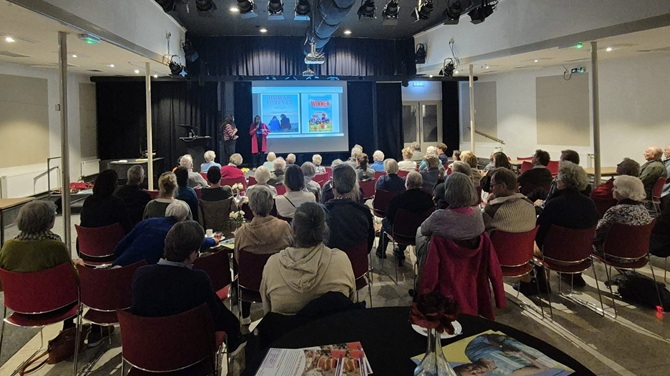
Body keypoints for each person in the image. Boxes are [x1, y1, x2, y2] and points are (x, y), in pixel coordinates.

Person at [130, 221, 246, 371]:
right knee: (228, 322)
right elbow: (215, 315)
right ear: (192, 254)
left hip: (147, 352)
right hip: (189, 352)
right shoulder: (197, 279)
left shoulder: (141, 275)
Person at [0, 200, 114, 347]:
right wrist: (81, 266)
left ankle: (69, 329)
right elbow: (74, 282)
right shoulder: (55, 246)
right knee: (92, 280)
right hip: (59, 307)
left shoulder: (8, 248)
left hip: (19, 308)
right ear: (49, 222)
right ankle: (96, 332)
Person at [260, 202, 356, 315]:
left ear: (293, 230)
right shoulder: (341, 260)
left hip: (288, 332)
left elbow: (268, 312)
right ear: (324, 229)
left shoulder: (273, 265)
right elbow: (351, 304)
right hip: (332, 330)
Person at [533, 161, 598, 290]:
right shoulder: (590, 204)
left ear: (562, 182)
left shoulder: (554, 204)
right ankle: (573, 275)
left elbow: (539, 233)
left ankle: (535, 282)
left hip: (554, 254)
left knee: (527, 240)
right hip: (582, 255)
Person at [234, 185, 292, 324]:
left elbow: (238, 261)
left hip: (250, 285)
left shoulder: (242, 233)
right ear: (271, 204)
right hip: (279, 283)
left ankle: (245, 317)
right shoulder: (284, 227)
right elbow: (291, 254)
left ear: (252, 208)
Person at [114, 200, 204, 266]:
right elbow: (196, 242)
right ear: (184, 218)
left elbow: (120, 247)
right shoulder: (177, 233)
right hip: (141, 273)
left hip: (119, 266)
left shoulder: (147, 222)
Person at [418, 172, 484, 251]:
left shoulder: (439, 216)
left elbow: (423, 230)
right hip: (473, 260)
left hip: (444, 259)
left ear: (447, 191)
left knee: (419, 232)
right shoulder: (478, 214)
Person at [378, 171, 434, 264]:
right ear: (421, 183)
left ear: (407, 183)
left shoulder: (397, 199)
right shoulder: (428, 198)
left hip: (399, 232)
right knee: (405, 224)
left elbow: (390, 217)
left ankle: (381, 252)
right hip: (420, 233)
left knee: (385, 223)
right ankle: (400, 251)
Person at [593, 176, 653, 260]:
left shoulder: (616, 211)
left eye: (615, 187)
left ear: (624, 191)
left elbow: (598, 234)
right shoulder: (644, 211)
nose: (612, 190)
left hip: (614, 254)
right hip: (638, 254)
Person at [324, 164, 375, 255]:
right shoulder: (364, 212)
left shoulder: (325, 212)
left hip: (331, 264)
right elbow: (369, 242)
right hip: (359, 263)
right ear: (353, 185)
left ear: (333, 186)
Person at [453, 333, 549, 375]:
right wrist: (521, 354)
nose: (475, 370)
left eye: (468, 368)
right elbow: (543, 368)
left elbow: (485, 337)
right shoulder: (505, 374)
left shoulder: (471, 351)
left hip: (521, 333)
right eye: (474, 375)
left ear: (464, 364)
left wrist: (501, 347)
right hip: (542, 347)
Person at [483, 168, 536, 233]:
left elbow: (481, 228)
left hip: (498, 243)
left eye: (492, 185)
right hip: (526, 242)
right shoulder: (530, 204)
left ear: (502, 186)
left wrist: (489, 203)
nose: (490, 189)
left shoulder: (492, 209)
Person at [80, 169, 132, 234]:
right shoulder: (117, 203)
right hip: (111, 241)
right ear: (114, 185)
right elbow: (127, 228)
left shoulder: (88, 201)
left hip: (88, 241)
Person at [662, 144, 670, 209]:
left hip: (666, 191)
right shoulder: (666, 161)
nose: (664, 152)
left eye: (666, 150)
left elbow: (665, 176)